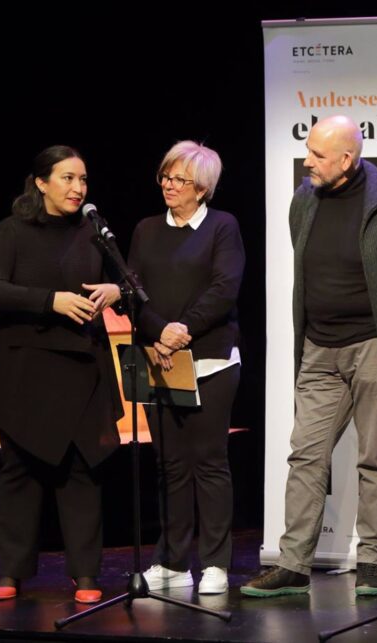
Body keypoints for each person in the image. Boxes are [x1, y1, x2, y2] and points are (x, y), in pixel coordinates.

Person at [241, 115, 377, 598]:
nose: (307, 161)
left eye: (316, 154)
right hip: (318, 348)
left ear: (347, 160)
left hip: (376, 348)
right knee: (306, 455)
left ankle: (372, 561)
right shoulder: (304, 199)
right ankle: (293, 565)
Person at [0, 145, 125, 604]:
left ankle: (86, 575)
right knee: (20, 470)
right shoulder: (13, 230)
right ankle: (12, 572)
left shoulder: (96, 232)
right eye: (67, 178)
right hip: (25, 368)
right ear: (41, 183)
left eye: (83, 179)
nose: (78, 188)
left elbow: (132, 282)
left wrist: (117, 289)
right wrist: (50, 300)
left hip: (81, 369)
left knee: (81, 470)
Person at [128, 141, 244, 596]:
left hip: (211, 361)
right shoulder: (145, 230)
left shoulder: (222, 227)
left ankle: (215, 562)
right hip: (160, 361)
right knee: (169, 465)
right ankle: (173, 561)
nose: (169, 186)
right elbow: (133, 290)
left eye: (180, 180)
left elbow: (224, 288)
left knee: (209, 463)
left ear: (203, 188)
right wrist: (158, 334)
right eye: (165, 177)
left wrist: (182, 330)